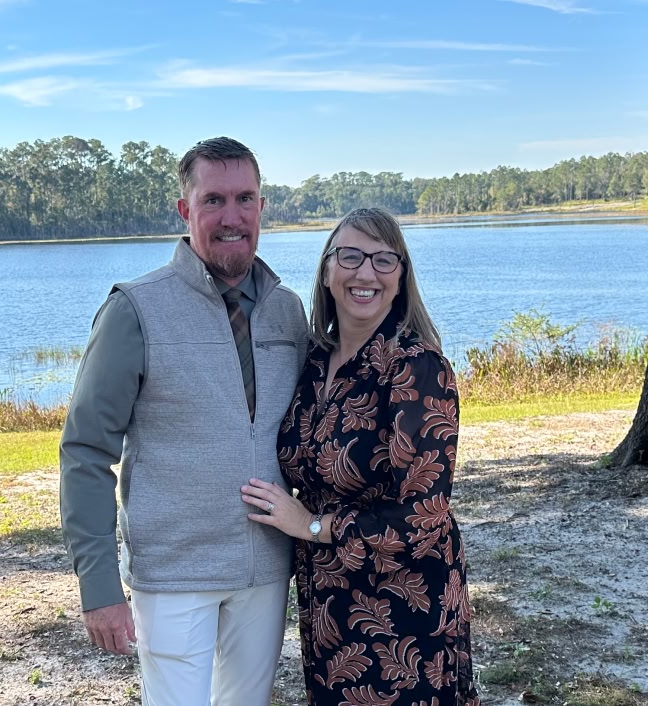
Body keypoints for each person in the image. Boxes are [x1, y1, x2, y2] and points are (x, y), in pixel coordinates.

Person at [60, 137, 309, 706]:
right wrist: (99, 585)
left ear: (262, 207)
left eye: (244, 199)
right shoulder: (135, 309)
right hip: (174, 574)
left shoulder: (287, 310)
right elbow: (86, 451)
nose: (231, 217)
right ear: (184, 210)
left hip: (267, 570)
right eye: (213, 200)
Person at [242, 206, 479, 705]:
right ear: (327, 271)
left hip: (403, 604)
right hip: (328, 601)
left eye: (383, 260)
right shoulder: (313, 363)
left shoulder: (416, 369)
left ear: (400, 277)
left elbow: (423, 515)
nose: (366, 273)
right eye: (350, 256)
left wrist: (311, 526)